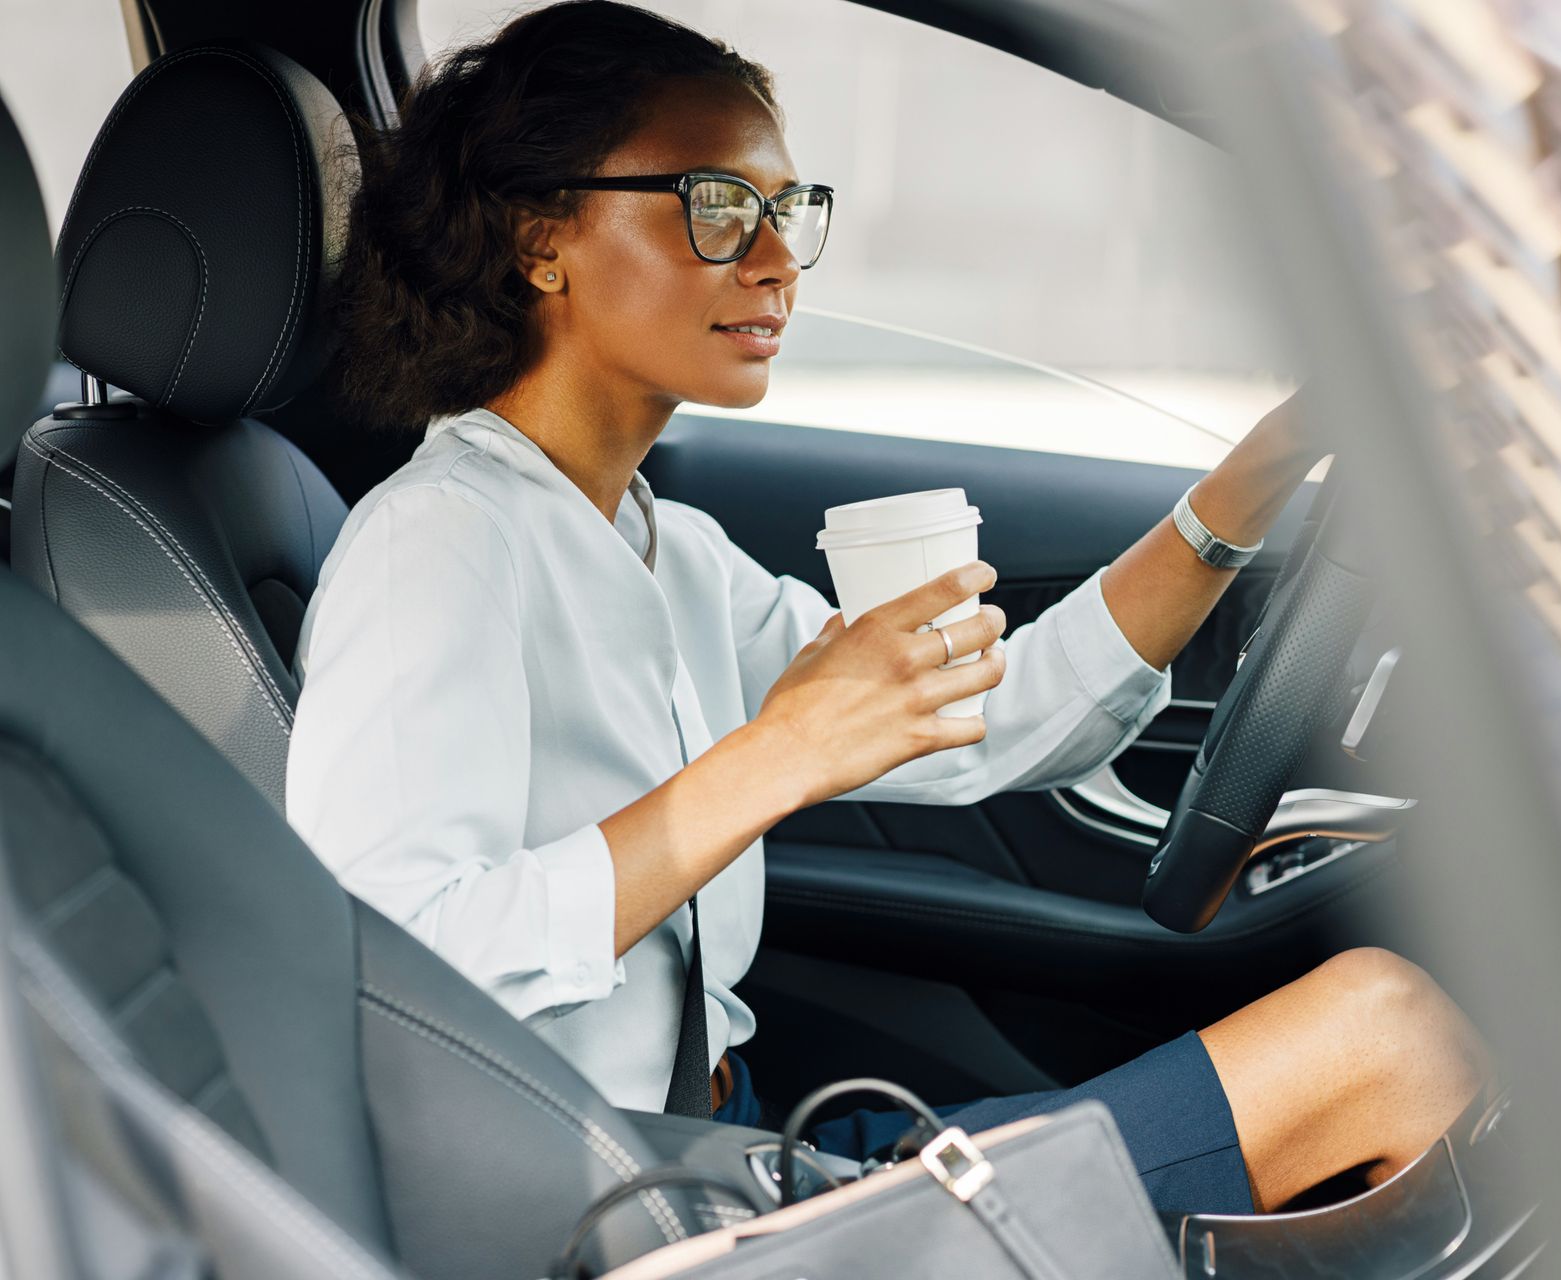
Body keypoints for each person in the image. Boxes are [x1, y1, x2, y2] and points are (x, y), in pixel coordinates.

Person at [288, 0, 1488, 1216]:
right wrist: (781, 751)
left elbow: (997, 719)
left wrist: (1264, 469)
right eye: (715, 206)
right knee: (1386, 1036)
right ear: (542, 237)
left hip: (729, 1147)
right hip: (609, 1215)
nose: (771, 259)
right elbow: (390, 965)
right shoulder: (439, 545)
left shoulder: (670, 551)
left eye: (783, 211)